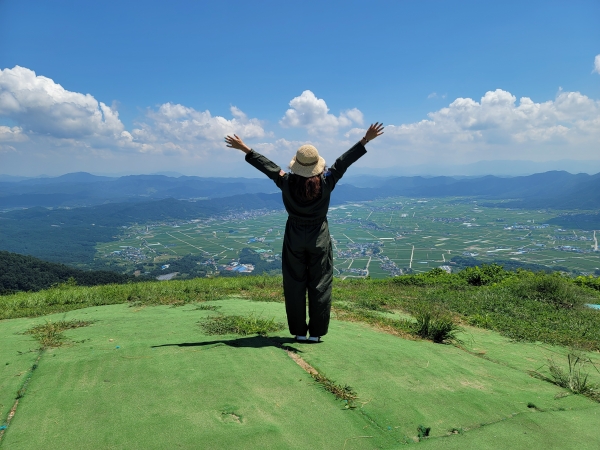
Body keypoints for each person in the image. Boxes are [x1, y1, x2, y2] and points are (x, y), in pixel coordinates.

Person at [225, 123, 384, 342]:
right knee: (320, 282)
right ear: (317, 165)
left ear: (296, 165)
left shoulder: (286, 181)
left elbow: (268, 167)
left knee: (294, 282)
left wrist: (245, 149)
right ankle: (316, 334)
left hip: (294, 234)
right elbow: (342, 163)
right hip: (319, 233)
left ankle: (299, 332)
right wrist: (365, 140)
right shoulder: (327, 181)